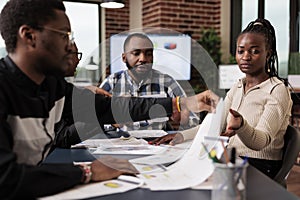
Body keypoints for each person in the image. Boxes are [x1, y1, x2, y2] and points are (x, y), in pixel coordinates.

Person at [0, 0, 218, 198]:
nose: (71, 46)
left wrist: (180, 102)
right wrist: (87, 171)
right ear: (29, 36)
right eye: (64, 35)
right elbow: (5, 179)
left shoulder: (53, 87)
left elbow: (113, 107)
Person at [151, 18, 292, 179]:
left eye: (254, 51)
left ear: (269, 54)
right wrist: (180, 136)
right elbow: (215, 125)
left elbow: (261, 142)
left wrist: (241, 125)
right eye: (241, 51)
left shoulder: (277, 90)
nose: (246, 56)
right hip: (232, 157)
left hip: (260, 165)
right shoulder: (238, 86)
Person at [99, 32, 198, 131]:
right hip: (120, 143)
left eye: (148, 54)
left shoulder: (167, 82)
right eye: (136, 53)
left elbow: (194, 119)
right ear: (124, 58)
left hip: (159, 144)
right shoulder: (112, 82)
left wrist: (184, 120)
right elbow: (92, 121)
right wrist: (113, 124)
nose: (143, 59)